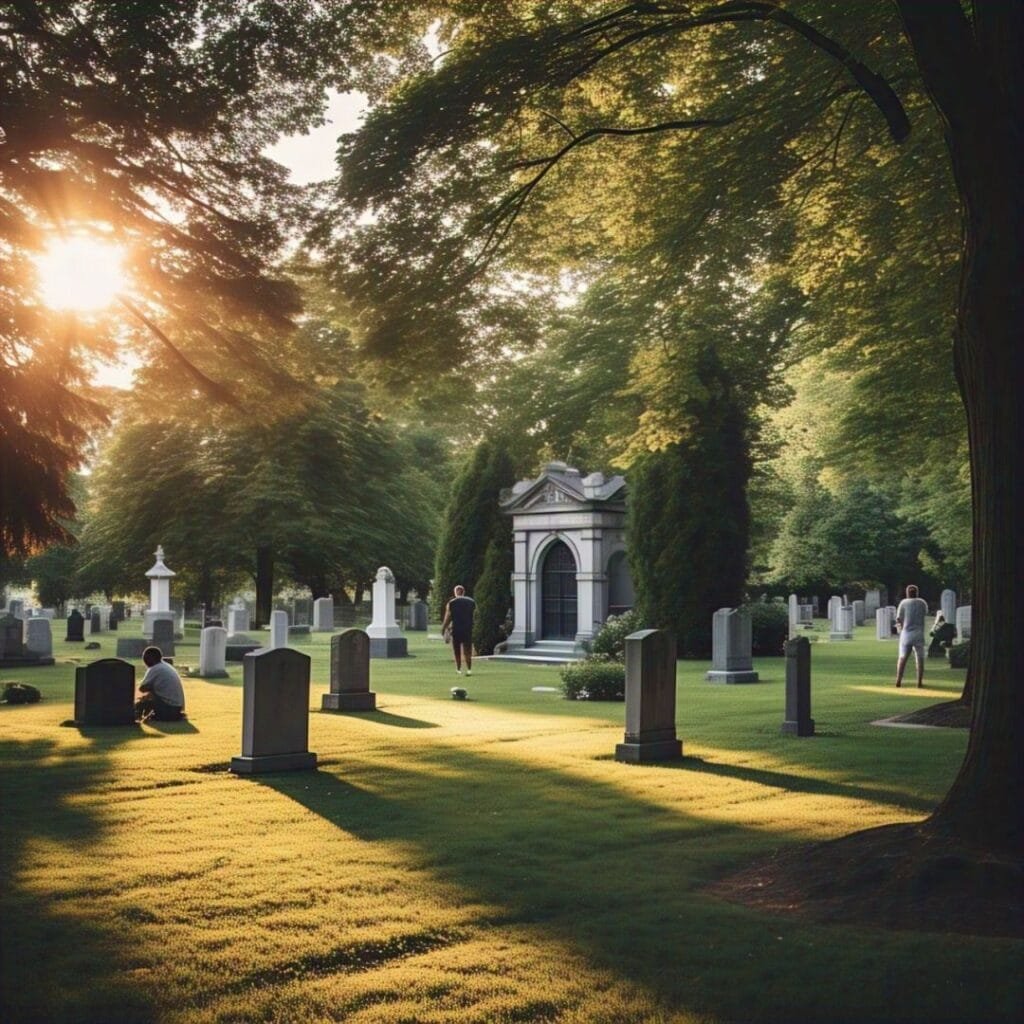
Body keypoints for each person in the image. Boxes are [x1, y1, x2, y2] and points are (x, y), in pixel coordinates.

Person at [134, 646, 186, 721]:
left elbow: (142, 688)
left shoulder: (155, 668)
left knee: (142, 701)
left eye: (145, 658)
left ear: (151, 658)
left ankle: (135, 718)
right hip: (177, 708)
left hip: (169, 709)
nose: (144, 661)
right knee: (150, 694)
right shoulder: (165, 666)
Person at [894, 584, 929, 688]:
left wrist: (901, 627)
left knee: (902, 658)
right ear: (917, 593)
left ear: (907, 593)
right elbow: (925, 613)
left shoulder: (903, 602)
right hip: (919, 633)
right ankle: (919, 682)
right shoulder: (922, 603)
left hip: (906, 634)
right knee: (920, 658)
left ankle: (898, 680)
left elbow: (898, 618)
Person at [441, 584, 476, 676]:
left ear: (455, 592)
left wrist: (443, 628)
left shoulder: (451, 603)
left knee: (456, 650)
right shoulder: (472, 602)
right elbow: (476, 615)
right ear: (464, 592)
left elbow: (448, 617)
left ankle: (458, 669)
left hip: (456, 629)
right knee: (467, 650)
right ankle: (469, 669)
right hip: (468, 629)